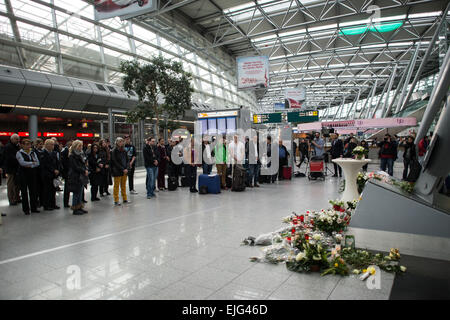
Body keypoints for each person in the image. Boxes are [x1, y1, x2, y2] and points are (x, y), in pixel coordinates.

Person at [16, 139, 40, 215]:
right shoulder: (19, 153)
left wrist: (30, 164)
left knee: (33, 191)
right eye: (26, 144)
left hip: (32, 174)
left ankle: (34, 207)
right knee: (24, 192)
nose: (28, 146)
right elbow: (22, 163)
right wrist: (32, 163)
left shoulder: (32, 152)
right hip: (23, 174)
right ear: (22, 145)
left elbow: (37, 163)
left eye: (29, 144)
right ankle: (26, 209)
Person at [68, 140, 88, 215]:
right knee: (76, 193)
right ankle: (75, 208)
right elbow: (75, 167)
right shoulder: (72, 156)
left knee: (80, 192)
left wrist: (85, 169)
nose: (81, 147)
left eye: (81, 146)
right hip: (75, 176)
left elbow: (83, 164)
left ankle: (79, 207)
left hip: (81, 176)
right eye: (79, 146)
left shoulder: (81, 154)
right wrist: (83, 171)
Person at [40, 139, 60, 211]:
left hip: (54, 175)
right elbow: (45, 164)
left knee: (53, 190)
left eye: (53, 144)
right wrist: (53, 170)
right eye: (51, 144)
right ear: (47, 145)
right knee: (47, 190)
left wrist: (57, 170)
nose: (53, 146)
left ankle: (53, 204)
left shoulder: (54, 153)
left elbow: (57, 162)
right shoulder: (43, 153)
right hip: (47, 174)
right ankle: (46, 205)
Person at [111, 137, 130, 206]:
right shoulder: (114, 151)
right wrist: (122, 169)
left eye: (122, 141)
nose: (121, 143)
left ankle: (125, 198)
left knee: (123, 185)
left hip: (124, 170)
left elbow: (127, 160)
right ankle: (116, 200)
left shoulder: (124, 150)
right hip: (117, 171)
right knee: (116, 186)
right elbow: (115, 162)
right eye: (120, 141)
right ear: (117, 143)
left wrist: (127, 168)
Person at [3, 134, 21, 205]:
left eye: (18, 139)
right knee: (11, 185)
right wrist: (18, 159)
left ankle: (16, 197)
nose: (18, 141)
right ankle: (12, 199)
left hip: (16, 169)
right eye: (16, 139)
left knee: (17, 185)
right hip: (10, 169)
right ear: (12, 139)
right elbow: (9, 158)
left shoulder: (16, 146)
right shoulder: (8, 147)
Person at [61, 140, 73, 208]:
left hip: (69, 172)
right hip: (67, 173)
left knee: (68, 189)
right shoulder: (65, 152)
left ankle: (66, 202)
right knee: (67, 189)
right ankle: (66, 203)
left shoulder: (69, 152)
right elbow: (64, 163)